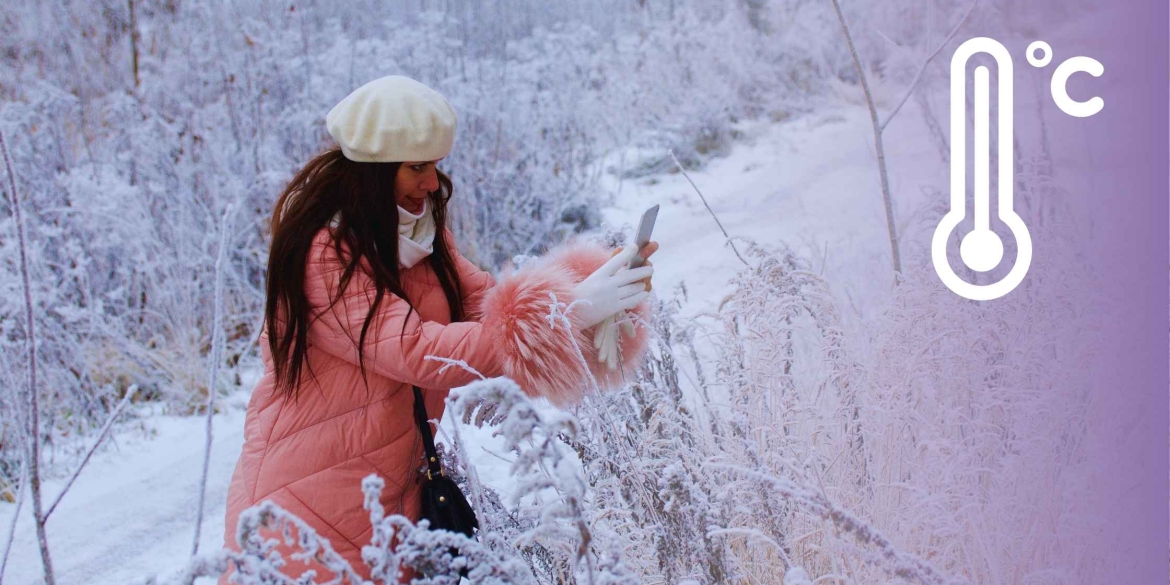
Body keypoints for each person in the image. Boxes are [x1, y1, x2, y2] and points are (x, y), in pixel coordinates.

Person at [217, 75, 657, 584]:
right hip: (303, 503)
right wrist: (564, 313)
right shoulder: (325, 252)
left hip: (387, 495)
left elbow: (487, 307)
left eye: (435, 165)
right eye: (417, 166)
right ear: (372, 172)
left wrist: (588, 290)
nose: (431, 182)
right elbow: (417, 351)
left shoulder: (415, 236)